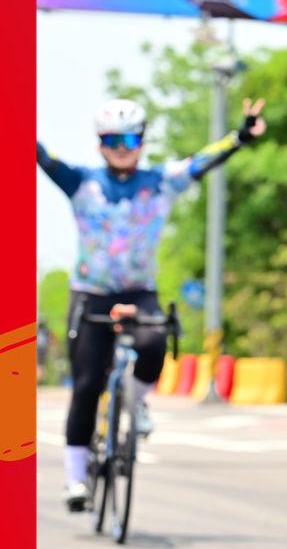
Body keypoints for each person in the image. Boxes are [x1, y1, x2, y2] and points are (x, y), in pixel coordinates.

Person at [38, 96, 266, 509]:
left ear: (142, 141)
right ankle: (75, 480)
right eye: (112, 139)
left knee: (154, 346)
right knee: (86, 385)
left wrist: (239, 138)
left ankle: (137, 400)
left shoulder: (160, 181)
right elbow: (43, 157)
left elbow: (200, 162)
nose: (121, 147)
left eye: (129, 139)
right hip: (91, 292)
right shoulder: (81, 182)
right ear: (99, 143)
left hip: (139, 290)